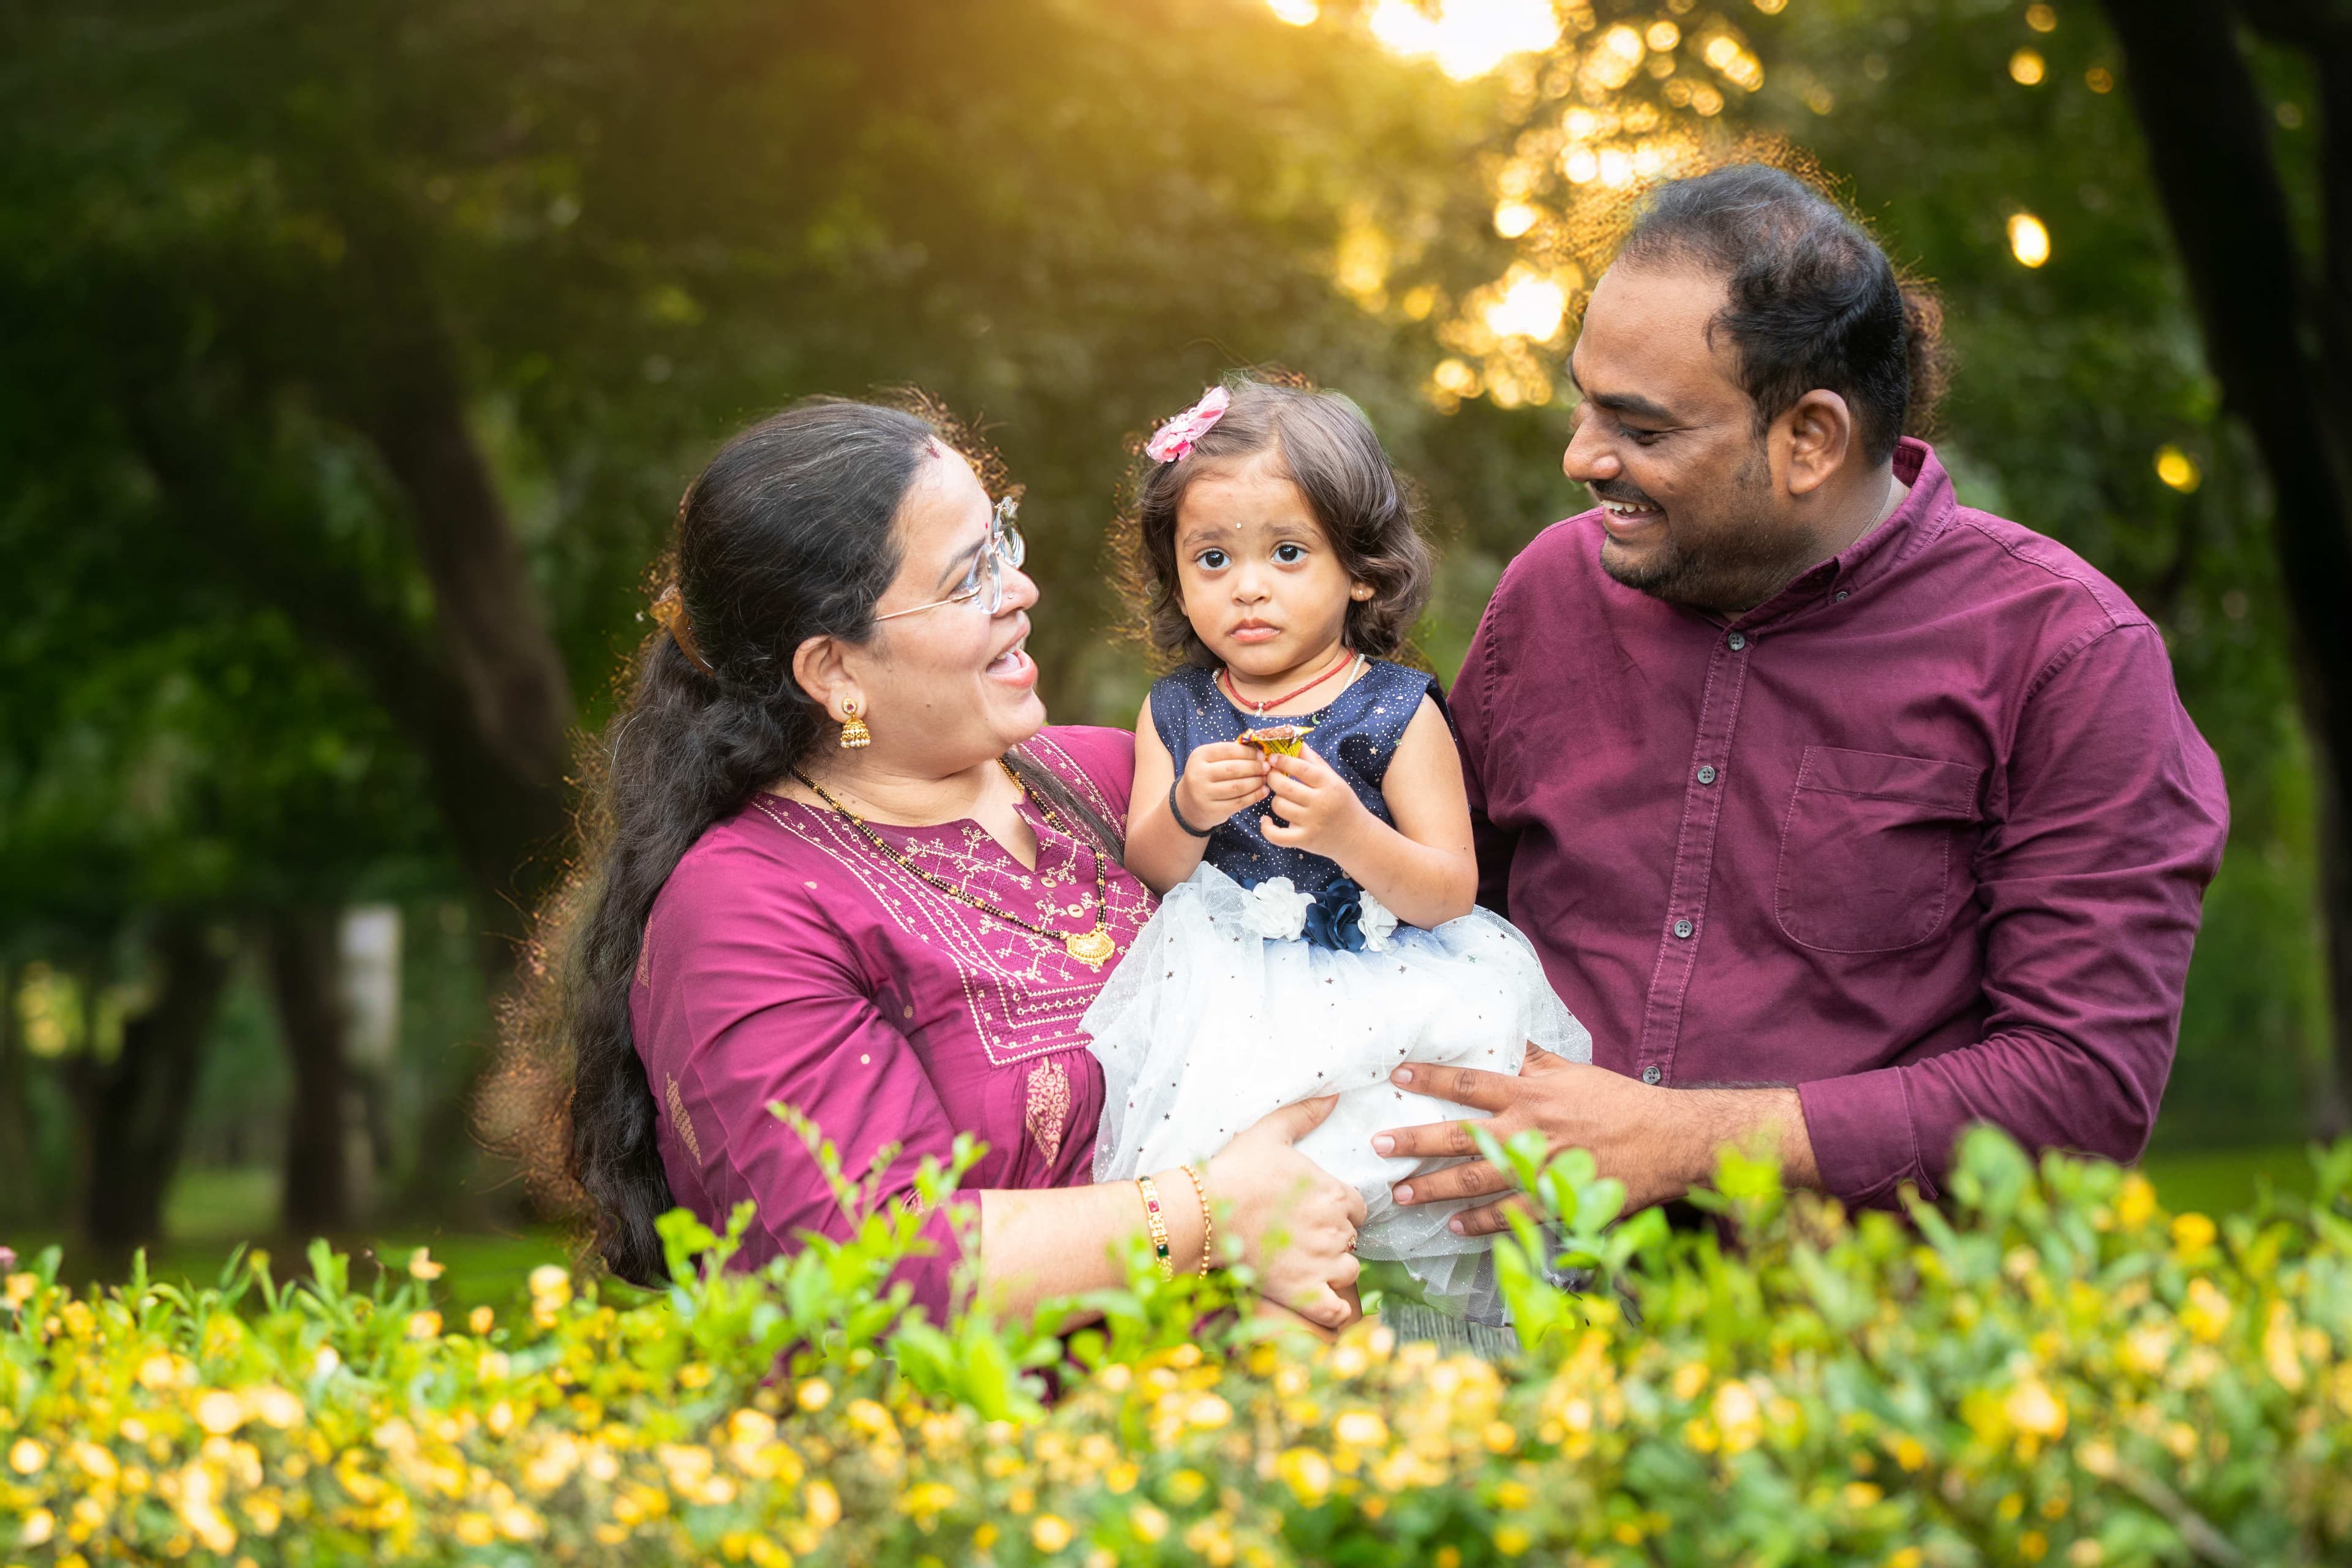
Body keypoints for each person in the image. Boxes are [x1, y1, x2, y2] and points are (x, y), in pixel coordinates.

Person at [1373, 165, 2231, 1231]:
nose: (1582, 457)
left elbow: (2082, 1089)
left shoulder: (2069, 657)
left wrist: (1678, 1142)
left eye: (1641, 429)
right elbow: (1442, 912)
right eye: (1585, 401)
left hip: (1847, 1342)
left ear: (1810, 441)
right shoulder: (1549, 591)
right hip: (1516, 1306)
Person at [510, 399, 1366, 1328]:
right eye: (968, 580)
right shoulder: (745, 908)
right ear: (835, 671)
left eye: (1002, 538)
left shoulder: (1123, 779)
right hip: (992, 1458)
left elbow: (1370, 957)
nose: (1021, 589)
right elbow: (865, 1268)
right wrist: (1209, 1214)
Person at [1083, 378, 1586, 1321]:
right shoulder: (1179, 710)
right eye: (1213, 558)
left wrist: (1352, 833)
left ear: (1359, 569)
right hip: (1227, 999)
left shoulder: (1396, 707)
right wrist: (1190, 806)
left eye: (1286, 552)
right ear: (1176, 579)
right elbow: (1153, 867)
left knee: (1394, 1190)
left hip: (1386, 983)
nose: (1249, 585)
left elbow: (1449, 887)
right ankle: (1275, 1390)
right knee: (1252, 1225)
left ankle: (1405, 1366)